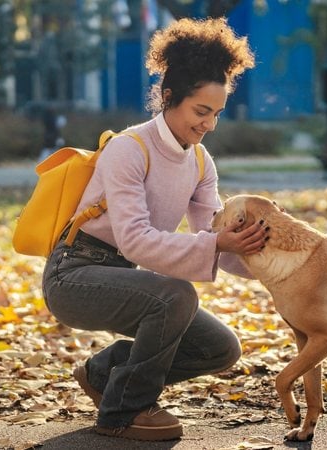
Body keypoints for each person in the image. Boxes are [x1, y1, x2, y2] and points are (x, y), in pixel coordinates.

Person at [41, 17, 264, 441]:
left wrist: (282, 263)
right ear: (168, 97)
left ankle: (104, 373)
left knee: (220, 348)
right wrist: (217, 241)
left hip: (124, 276)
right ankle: (122, 412)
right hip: (73, 274)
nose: (209, 125)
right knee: (176, 294)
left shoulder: (200, 162)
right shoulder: (130, 148)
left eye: (216, 114)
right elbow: (135, 240)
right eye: (201, 111)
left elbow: (217, 240)